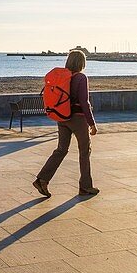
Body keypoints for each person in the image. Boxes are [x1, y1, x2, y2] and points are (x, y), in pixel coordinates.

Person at [33, 50, 100, 197]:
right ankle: (85, 187)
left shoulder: (64, 78)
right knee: (84, 151)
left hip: (62, 117)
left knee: (61, 150)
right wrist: (92, 123)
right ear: (82, 63)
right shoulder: (81, 78)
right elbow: (84, 102)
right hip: (78, 119)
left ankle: (42, 179)